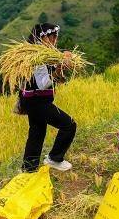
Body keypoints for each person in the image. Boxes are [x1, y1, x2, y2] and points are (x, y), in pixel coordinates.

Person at [18, 22, 77, 172]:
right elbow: (43, 83)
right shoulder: (37, 58)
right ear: (41, 38)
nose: (54, 40)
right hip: (37, 102)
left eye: (55, 37)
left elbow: (54, 77)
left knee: (37, 131)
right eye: (51, 37)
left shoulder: (45, 54)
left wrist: (64, 64)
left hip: (33, 100)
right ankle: (54, 158)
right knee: (68, 125)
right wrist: (58, 70)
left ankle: (29, 168)